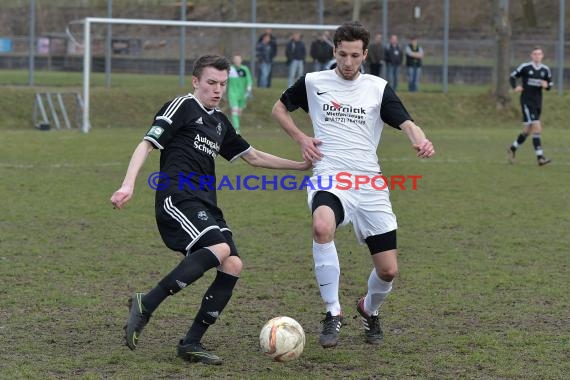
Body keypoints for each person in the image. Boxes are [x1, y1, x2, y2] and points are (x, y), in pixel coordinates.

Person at [110, 54, 310, 365]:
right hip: (177, 196)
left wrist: (299, 165)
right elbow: (147, 143)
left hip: (206, 203)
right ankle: (146, 303)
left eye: (222, 84)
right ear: (196, 82)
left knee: (232, 264)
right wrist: (128, 184)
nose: (217, 90)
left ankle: (190, 343)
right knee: (217, 247)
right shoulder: (181, 107)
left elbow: (253, 156)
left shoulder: (219, 122)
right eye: (211, 83)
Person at [271, 21, 435, 348]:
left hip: (369, 183)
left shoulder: (377, 87)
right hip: (330, 175)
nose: (348, 62)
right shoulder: (313, 82)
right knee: (321, 226)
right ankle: (333, 312)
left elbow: (406, 123)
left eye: (355, 55)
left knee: (388, 271)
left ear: (365, 55)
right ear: (334, 51)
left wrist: (422, 140)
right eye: (343, 54)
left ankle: (368, 309)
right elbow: (278, 108)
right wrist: (301, 137)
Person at [507, 46, 553, 166]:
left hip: (538, 102)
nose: (537, 56)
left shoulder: (545, 69)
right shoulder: (525, 67)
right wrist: (515, 87)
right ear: (531, 56)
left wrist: (546, 85)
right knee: (537, 128)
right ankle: (540, 157)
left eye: (539, 54)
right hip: (527, 101)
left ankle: (513, 148)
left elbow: (550, 85)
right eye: (535, 54)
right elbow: (512, 76)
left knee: (527, 131)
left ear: (542, 55)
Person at [227, 54, 252, 134]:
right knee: (234, 111)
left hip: (242, 94)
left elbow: (249, 80)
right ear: (233, 60)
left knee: (239, 112)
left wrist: (248, 89)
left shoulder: (245, 69)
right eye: (235, 59)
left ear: (241, 60)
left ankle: (233, 126)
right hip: (232, 93)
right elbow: (224, 80)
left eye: (238, 59)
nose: (237, 61)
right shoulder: (230, 69)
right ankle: (236, 129)